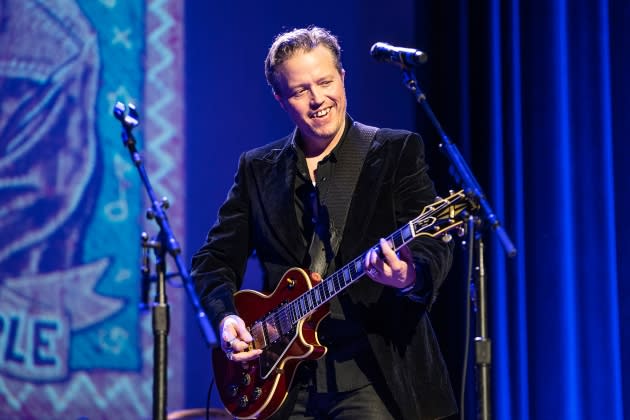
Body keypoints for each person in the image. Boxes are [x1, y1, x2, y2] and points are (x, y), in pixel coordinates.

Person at [191, 26, 457, 420]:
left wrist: (407, 274)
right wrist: (227, 316)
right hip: (283, 381)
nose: (318, 100)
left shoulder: (396, 151)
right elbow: (213, 259)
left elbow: (431, 244)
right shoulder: (257, 169)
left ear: (343, 78)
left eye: (325, 82)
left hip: (372, 372)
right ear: (280, 99)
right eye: (300, 91)